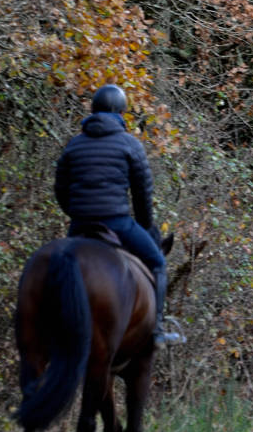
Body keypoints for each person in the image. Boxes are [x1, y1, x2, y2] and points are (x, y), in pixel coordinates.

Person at [54, 83, 178, 345]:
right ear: (122, 113)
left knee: (56, 269)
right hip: (117, 222)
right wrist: (146, 226)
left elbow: (61, 190)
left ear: (93, 110)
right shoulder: (130, 145)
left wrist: (77, 213)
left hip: (80, 225)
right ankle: (157, 329)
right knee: (157, 262)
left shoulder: (74, 145)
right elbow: (142, 193)